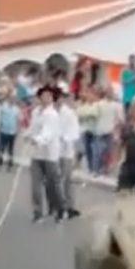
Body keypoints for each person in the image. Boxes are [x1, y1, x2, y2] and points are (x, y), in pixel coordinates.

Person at [26, 85, 65, 223]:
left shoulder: (52, 114)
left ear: (52, 98)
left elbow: (48, 134)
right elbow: (32, 128)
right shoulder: (36, 112)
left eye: (49, 96)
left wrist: (37, 139)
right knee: (35, 184)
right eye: (43, 95)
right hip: (36, 154)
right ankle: (37, 212)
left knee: (52, 185)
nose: (45, 98)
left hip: (50, 154)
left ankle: (59, 208)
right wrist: (28, 135)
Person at [57, 90, 82, 219]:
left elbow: (75, 133)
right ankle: (61, 206)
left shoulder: (70, 114)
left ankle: (68, 207)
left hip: (66, 152)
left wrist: (65, 138)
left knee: (66, 180)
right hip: (54, 152)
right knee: (59, 180)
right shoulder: (52, 113)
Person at [0, 95, 20, 171]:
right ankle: (0, 164)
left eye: (13, 99)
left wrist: (17, 130)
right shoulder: (3, 107)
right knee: (1, 148)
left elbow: (17, 120)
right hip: (3, 130)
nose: (12, 100)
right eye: (11, 99)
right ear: (8, 99)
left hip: (12, 131)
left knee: (10, 149)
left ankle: (9, 165)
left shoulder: (16, 109)